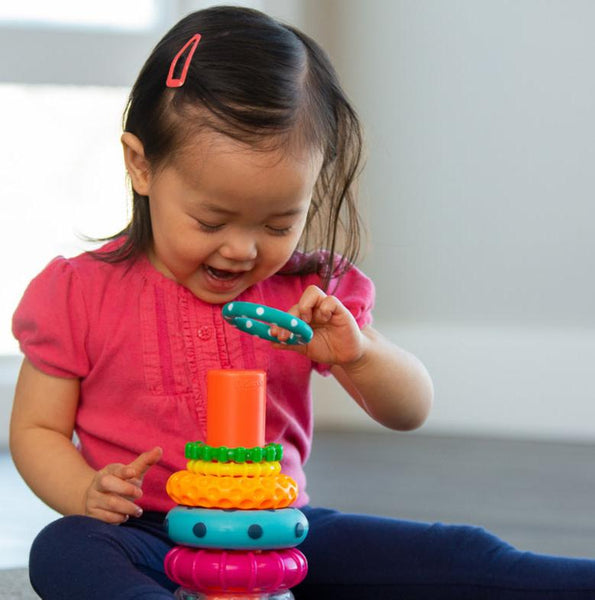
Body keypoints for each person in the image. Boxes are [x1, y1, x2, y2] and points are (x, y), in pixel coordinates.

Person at [8, 6, 595, 600]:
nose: (241, 249)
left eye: (278, 222)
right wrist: (85, 491)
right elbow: (36, 428)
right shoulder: (79, 293)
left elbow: (410, 408)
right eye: (211, 219)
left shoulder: (308, 294)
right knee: (64, 549)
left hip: (279, 534)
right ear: (142, 165)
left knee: (458, 551)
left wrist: (358, 354)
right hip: (145, 535)